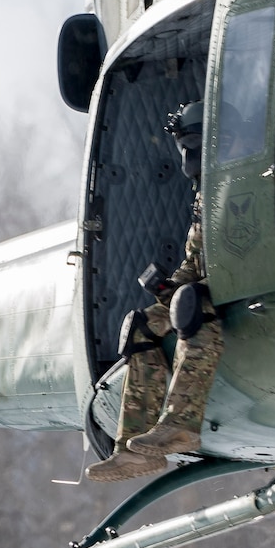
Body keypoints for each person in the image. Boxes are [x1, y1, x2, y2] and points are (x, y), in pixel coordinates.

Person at [83, 103, 226, 482]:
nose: (188, 157)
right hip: (210, 288)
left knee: (190, 308)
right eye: (184, 147)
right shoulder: (204, 199)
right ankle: (132, 447)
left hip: (239, 290)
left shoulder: (240, 191)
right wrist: (170, 286)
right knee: (141, 325)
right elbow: (194, 264)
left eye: (194, 146)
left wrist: (187, 292)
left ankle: (179, 425)